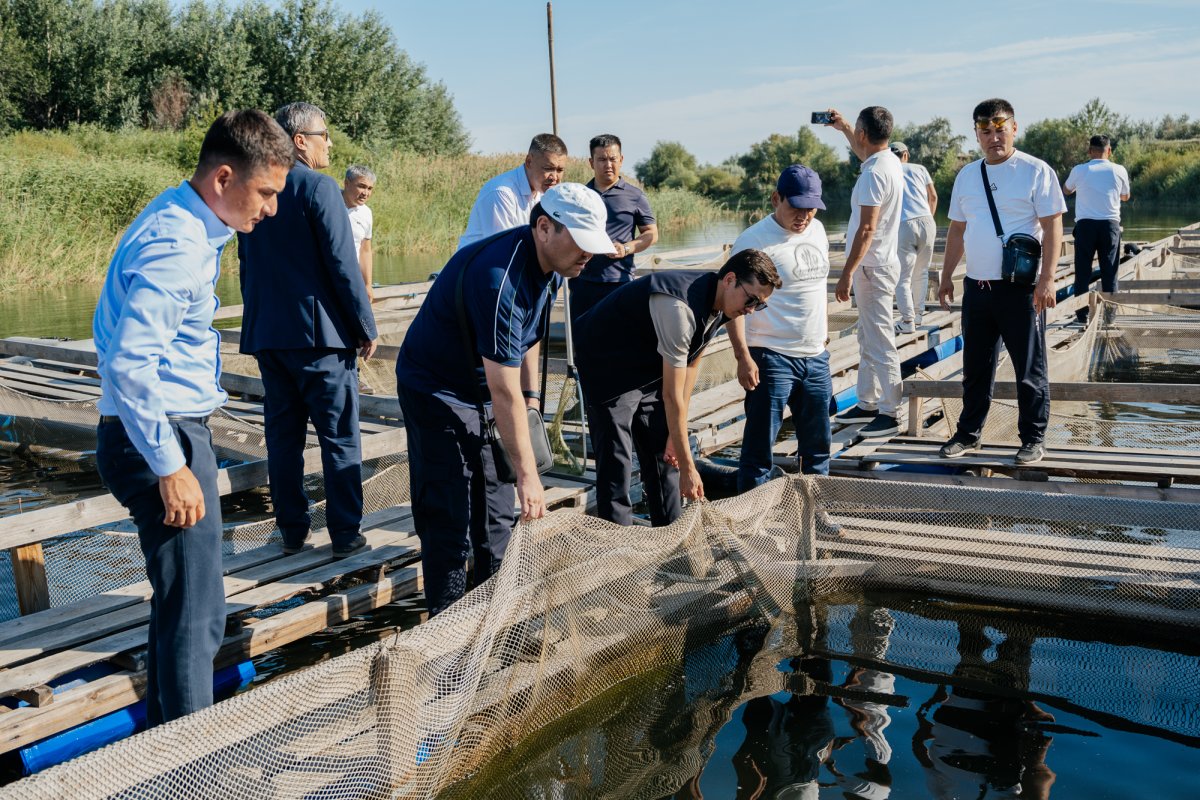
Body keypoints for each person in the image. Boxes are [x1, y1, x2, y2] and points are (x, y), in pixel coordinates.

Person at [93, 109, 293, 725]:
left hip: (161, 429)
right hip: (160, 433)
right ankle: (187, 762)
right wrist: (169, 463)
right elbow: (131, 364)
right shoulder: (178, 245)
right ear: (224, 179)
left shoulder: (184, 218)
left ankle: (164, 742)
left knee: (184, 602)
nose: (272, 209)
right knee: (198, 612)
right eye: (265, 193)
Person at [395, 183, 612, 616]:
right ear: (545, 227)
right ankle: (447, 625)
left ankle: (494, 616)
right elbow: (501, 390)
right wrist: (529, 476)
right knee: (450, 512)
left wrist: (533, 401)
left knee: (496, 511)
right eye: (582, 243)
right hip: (437, 387)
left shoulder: (555, 266)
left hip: (490, 386)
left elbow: (528, 340)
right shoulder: (500, 278)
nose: (589, 255)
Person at [238, 102, 379, 558]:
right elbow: (343, 267)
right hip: (320, 339)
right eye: (324, 134)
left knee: (283, 439)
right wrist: (365, 326)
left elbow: (248, 267)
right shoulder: (318, 188)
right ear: (300, 140)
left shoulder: (253, 189)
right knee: (340, 436)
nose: (329, 143)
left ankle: (293, 532)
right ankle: (345, 533)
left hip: (269, 336)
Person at [574, 251, 781, 526]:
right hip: (607, 364)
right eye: (752, 300)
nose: (752, 309)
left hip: (647, 363)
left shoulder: (722, 303)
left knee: (664, 453)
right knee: (617, 462)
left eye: (760, 305)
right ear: (730, 279)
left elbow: (692, 364)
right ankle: (617, 547)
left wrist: (676, 433)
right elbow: (672, 395)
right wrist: (688, 467)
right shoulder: (679, 308)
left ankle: (672, 534)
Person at [937, 98, 1065, 466]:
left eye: (1000, 129)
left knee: (1029, 368)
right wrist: (946, 276)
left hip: (1020, 288)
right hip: (977, 287)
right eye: (985, 131)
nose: (994, 137)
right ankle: (968, 433)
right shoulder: (967, 175)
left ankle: (1033, 438)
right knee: (975, 366)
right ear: (976, 134)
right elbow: (957, 229)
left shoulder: (1035, 171)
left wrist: (1047, 279)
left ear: (1014, 128)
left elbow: (1053, 225)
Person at [727, 165, 833, 490]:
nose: (804, 215)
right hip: (771, 357)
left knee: (817, 449)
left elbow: (816, 287)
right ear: (776, 198)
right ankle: (751, 525)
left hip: (816, 357)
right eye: (796, 207)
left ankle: (816, 514)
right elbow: (731, 307)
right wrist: (743, 356)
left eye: (811, 208)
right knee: (759, 452)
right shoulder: (754, 241)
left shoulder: (818, 230)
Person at [825, 107, 905, 438]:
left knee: (880, 337)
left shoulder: (874, 174)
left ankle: (891, 411)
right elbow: (863, 152)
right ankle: (868, 402)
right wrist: (843, 126)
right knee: (866, 336)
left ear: (864, 133)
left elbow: (867, 229)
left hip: (872, 267)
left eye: (855, 130)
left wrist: (846, 273)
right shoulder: (887, 162)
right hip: (878, 264)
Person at [570, 133, 659, 318]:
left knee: (618, 341)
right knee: (582, 341)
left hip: (619, 282)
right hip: (583, 282)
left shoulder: (635, 196)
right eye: (601, 159)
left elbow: (651, 233)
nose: (608, 165)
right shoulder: (580, 195)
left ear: (621, 159)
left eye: (612, 159)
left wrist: (626, 248)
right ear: (591, 162)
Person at [457, 133, 568, 250]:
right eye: (548, 168)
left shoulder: (545, 193)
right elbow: (503, 249)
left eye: (560, 170)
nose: (554, 177)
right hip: (477, 265)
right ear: (529, 161)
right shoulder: (501, 193)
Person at [1064, 134, 1131, 324]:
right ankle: (1110, 317)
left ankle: (1082, 315)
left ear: (1089, 151)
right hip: (1110, 226)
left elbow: (1066, 190)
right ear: (1109, 151)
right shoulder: (1119, 170)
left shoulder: (1079, 170)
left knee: (1082, 272)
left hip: (1085, 226)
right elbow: (1125, 196)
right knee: (1110, 271)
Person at [890, 141, 938, 334]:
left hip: (904, 224)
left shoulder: (889, 171)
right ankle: (918, 315)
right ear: (906, 155)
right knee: (922, 272)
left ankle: (907, 320)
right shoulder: (920, 168)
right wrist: (928, 220)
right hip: (927, 221)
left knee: (902, 277)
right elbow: (933, 197)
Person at [342, 164, 377, 301]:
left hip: (353, 279)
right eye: (361, 186)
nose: (366, 193)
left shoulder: (366, 213)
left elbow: (365, 250)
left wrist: (368, 284)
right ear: (346, 183)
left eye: (369, 188)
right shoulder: (330, 203)